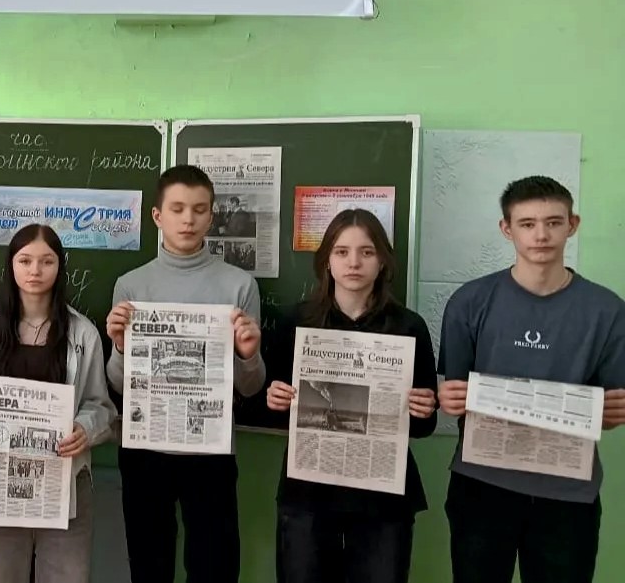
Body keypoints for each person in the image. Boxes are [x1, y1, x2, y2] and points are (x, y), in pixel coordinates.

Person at [437, 176, 625, 583]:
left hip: (568, 493)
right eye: (527, 224)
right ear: (507, 229)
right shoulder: (469, 302)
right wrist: (448, 399)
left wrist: (612, 414)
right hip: (482, 486)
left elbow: (611, 410)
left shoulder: (608, 310)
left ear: (572, 224)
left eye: (553, 222)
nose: (541, 235)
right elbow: (454, 396)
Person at [104, 164, 266, 583]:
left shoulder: (239, 286)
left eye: (199, 209)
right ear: (157, 216)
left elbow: (250, 387)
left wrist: (249, 355)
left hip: (210, 451)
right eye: (177, 209)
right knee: (149, 568)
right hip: (145, 449)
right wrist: (120, 347)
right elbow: (119, 384)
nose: (188, 219)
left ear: (212, 216)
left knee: (214, 568)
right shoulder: (130, 286)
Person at [263, 209, 438, 583]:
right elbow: (277, 414)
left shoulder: (409, 326)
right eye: (342, 252)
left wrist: (423, 409)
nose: (354, 262)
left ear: (382, 261)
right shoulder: (297, 322)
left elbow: (424, 427)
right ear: (326, 260)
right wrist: (274, 399)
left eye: (367, 252)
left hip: (383, 500)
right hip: (309, 495)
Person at [0, 224, 117, 583]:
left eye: (47, 261)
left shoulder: (83, 332)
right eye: (25, 260)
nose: (35, 270)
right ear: (11, 265)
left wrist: (84, 429)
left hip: (65, 483)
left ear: (59, 267)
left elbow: (101, 405)